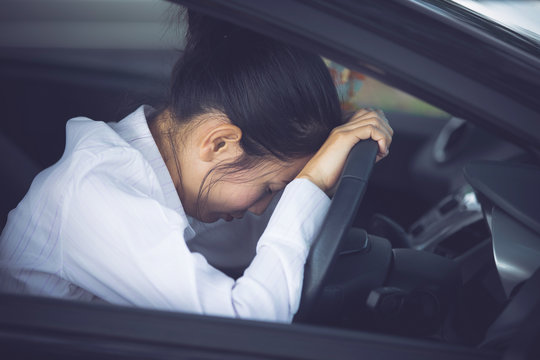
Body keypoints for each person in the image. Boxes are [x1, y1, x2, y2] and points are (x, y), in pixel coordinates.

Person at [0, 10, 392, 322]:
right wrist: (312, 184)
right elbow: (245, 327)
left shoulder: (162, 172)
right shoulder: (96, 195)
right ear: (219, 143)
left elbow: (247, 242)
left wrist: (326, 165)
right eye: (270, 189)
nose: (261, 208)